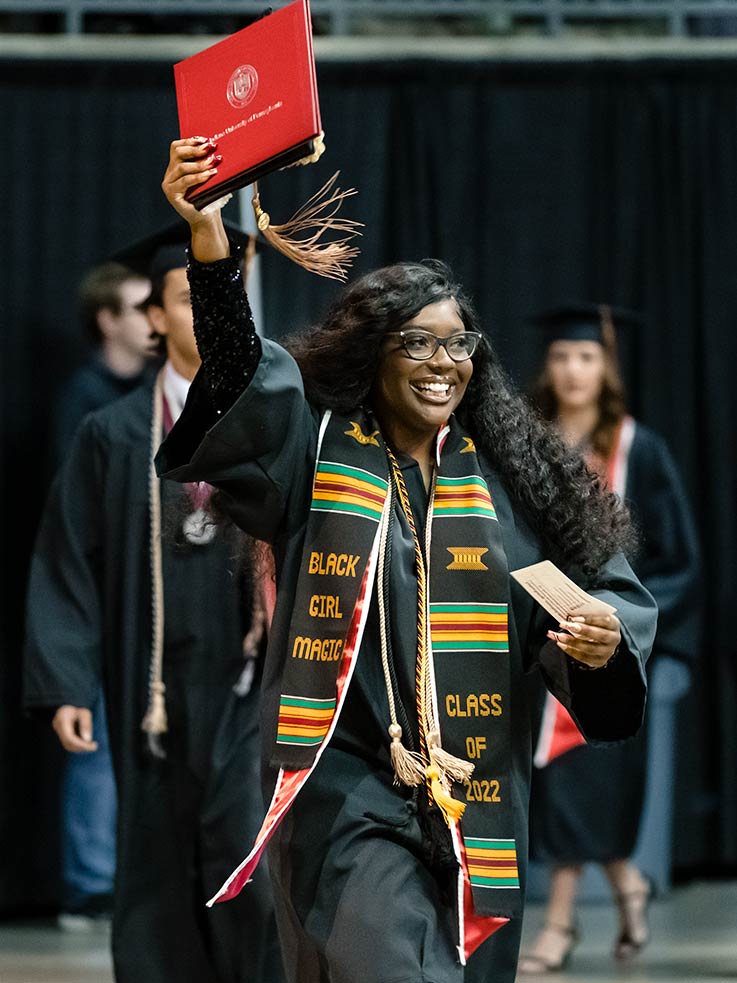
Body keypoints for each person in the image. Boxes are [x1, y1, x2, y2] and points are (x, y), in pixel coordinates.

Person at [155, 137, 658, 983]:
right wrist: (210, 241)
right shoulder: (315, 456)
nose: (442, 365)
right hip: (349, 790)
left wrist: (603, 637)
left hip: (479, 799)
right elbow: (244, 374)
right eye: (417, 345)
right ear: (372, 354)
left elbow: (606, 592)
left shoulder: (512, 482)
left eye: (457, 346)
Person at [24, 224, 284, 983]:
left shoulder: (274, 422)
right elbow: (66, 557)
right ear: (155, 316)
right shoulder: (111, 434)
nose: (206, 313)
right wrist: (68, 680)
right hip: (153, 682)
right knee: (157, 855)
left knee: (245, 846)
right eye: (186, 297)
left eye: (221, 297)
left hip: (250, 675)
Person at [518, 303, 701, 973]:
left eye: (586, 356)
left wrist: (627, 623)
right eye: (562, 356)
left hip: (609, 644)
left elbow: (679, 559)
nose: (571, 368)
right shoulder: (527, 443)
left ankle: (559, 923)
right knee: (564, 786)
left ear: (607, 367)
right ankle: (628, 884)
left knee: (587, 778)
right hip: (539, 635)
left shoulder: (637, 448)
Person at [54, 260, 159, 930]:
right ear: (107, 320)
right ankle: (88, 882)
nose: (151, 323)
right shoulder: (84, 400)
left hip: (155, 586)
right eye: (137, 308)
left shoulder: (158, 392)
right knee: (92, 735)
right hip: (100, 586)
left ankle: (136, 872)